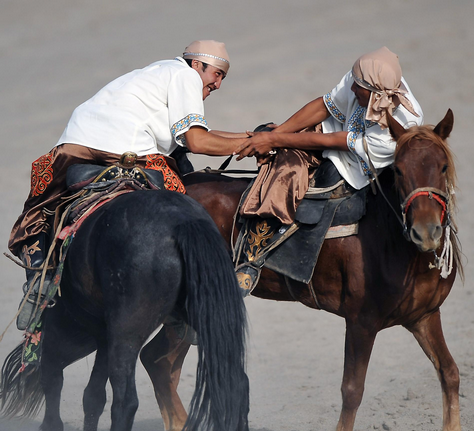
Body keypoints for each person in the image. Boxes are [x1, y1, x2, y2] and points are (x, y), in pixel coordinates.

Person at [10, 40, 249, 330]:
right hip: (128, 149)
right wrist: (261, 142)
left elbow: (199, 133)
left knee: (40, 208)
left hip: (73, 146)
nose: (218, 84)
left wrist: (248, 137)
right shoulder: (186, 75)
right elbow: (197, 141)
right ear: (197, 65)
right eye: (217, 74)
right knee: (182, 208)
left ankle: (38, 281)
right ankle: (188, 298)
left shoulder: (156, 73)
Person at [233, 46, 423, 294]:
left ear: (377, 94)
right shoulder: (368, 76)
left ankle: (252, 256)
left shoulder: (398, 128)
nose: (352, 89)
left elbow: (333, 143)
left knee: (288, 172)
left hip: (353, 165)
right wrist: (277, 134)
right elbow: (325, 104)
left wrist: (276, 142)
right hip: (332, 131)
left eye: (358, 88)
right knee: (269, 133)